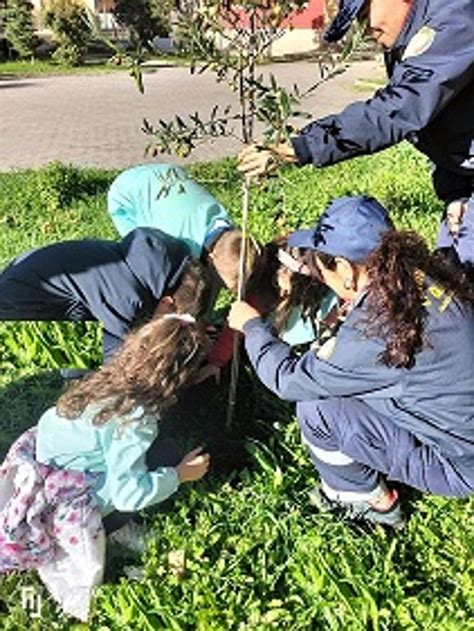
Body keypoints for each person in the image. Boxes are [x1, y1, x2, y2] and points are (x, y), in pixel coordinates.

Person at [229, 195, 474, 528]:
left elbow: (288, 379)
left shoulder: (371, 335)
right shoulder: (423, 274)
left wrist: (252, 326)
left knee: (316, 411)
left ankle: (374, 505)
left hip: (461, 466)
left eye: (323, 266)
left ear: (345, 269)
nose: (320, 275)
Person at [0, 259, 212, 621]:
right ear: (175, 381)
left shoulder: (106, 379)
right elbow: (128, 491)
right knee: (165, 459)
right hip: (62, 498)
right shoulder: (135, 419)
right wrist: (179, 475)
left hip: (46, 457)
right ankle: (108, 533)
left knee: (149, 456)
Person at [238, 0, 474, 267]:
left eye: (363, 15)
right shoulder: (407, 40)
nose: (365, 31)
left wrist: (302, 146)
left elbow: (398, 110)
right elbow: (444, 125)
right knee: (449, 277)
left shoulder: (456, 20)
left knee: (458, 281)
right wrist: (456, 193)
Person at [0, 225, 250, 361]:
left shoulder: (167, 262)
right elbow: (125, 356)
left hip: (38, 276)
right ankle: (74, 383)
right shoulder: (127, 300)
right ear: (166, 301)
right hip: (20, 299)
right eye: (171, 320)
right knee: (92, 352)